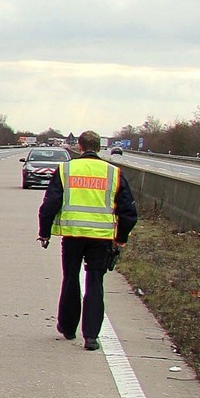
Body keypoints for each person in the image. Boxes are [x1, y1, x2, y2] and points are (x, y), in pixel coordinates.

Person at [38, 130, 137, 351]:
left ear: (80, 147)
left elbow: (49, 205)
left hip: (73, 235)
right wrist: (121, 238)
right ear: (99, 148)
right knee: (94, 283)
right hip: (101, 239)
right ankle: (91, 336)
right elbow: (129, 212)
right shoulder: (114, 173)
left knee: (71, 278)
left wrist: (44, 232)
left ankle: (68, 327)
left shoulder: (66, 170)